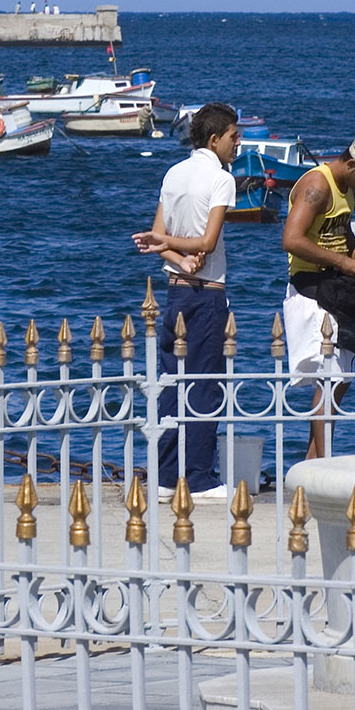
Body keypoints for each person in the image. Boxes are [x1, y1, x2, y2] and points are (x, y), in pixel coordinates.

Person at [131, 102, 241, 500]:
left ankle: (163, 476)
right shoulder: (221, 178)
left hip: (176, 289)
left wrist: (178, 257)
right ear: (214, 139)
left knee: (171, 384)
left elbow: (158, 237)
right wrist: (180, 249)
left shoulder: (173, 172)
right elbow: (208, 242)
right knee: (204, 384)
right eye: (233, 136)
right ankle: (198, 478)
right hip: (207, 294)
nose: (238, 144)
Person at [280, 136, 355, 459]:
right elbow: (291, 240)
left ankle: (314, 460)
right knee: (330, 376)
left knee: (341, 377)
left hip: (337, 281)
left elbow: (343, 229)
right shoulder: (317, 186)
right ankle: (322, 460)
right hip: (312, 284)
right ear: (352, 165)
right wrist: (342, 262)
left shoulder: (346, 187)